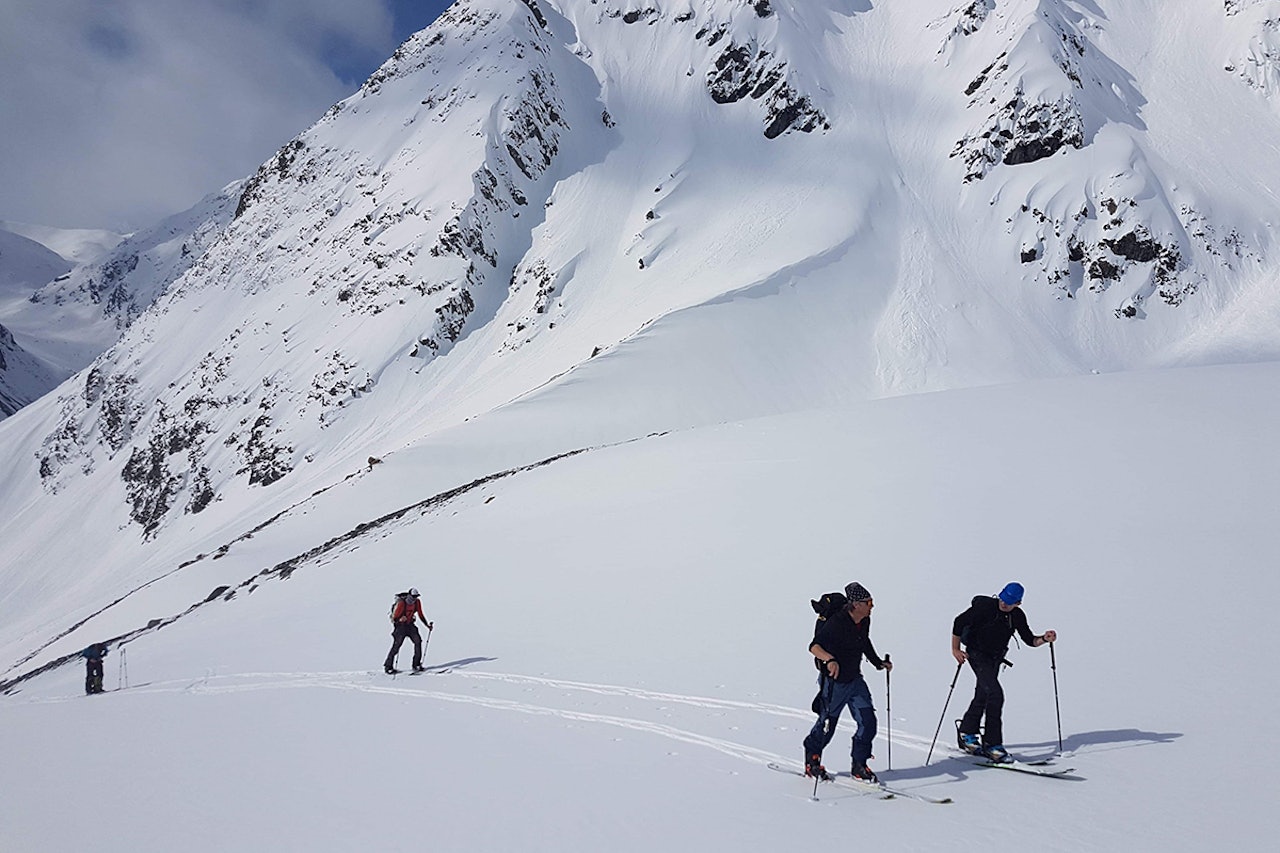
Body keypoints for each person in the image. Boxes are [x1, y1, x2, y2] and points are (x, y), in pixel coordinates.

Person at [951, 582, 1057, 762]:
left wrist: (1044, 639)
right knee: (995, 694)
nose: (1004, 604)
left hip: (995, 659)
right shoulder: (985, 607)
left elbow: (1029, 640)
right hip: (976, 654)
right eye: (1003, 599)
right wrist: (955, 649)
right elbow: (959, 622)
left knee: (984, 694)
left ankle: (967, 733)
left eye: (1009, 602)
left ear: (1018, 603)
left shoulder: (1017, 615)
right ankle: (993, 745)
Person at [804, 582, 891, 783]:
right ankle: (812, 759)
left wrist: (878, 662)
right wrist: (830, 660)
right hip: (835, 682)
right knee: (827, 725)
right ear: (856, 605)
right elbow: (814, 646)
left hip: (855, 679)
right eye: (869, 602)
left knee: (868, 722)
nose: (872, 606)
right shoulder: (837, 622)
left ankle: (859, 765)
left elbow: (864, 641)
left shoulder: (864, 620)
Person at [384, 588, 433, 674]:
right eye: (414, 596)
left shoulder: (417, 602)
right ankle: (388, 666)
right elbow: (395, 618)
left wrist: (427, 625)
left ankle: (416, 664)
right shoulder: (402, 603)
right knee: (396, 646)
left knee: (418, 641)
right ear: (409, 595)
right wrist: (400, 619)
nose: (415, 598)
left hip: (410, 625)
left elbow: (420, 614)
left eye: (416, 596)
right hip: (400, 626)